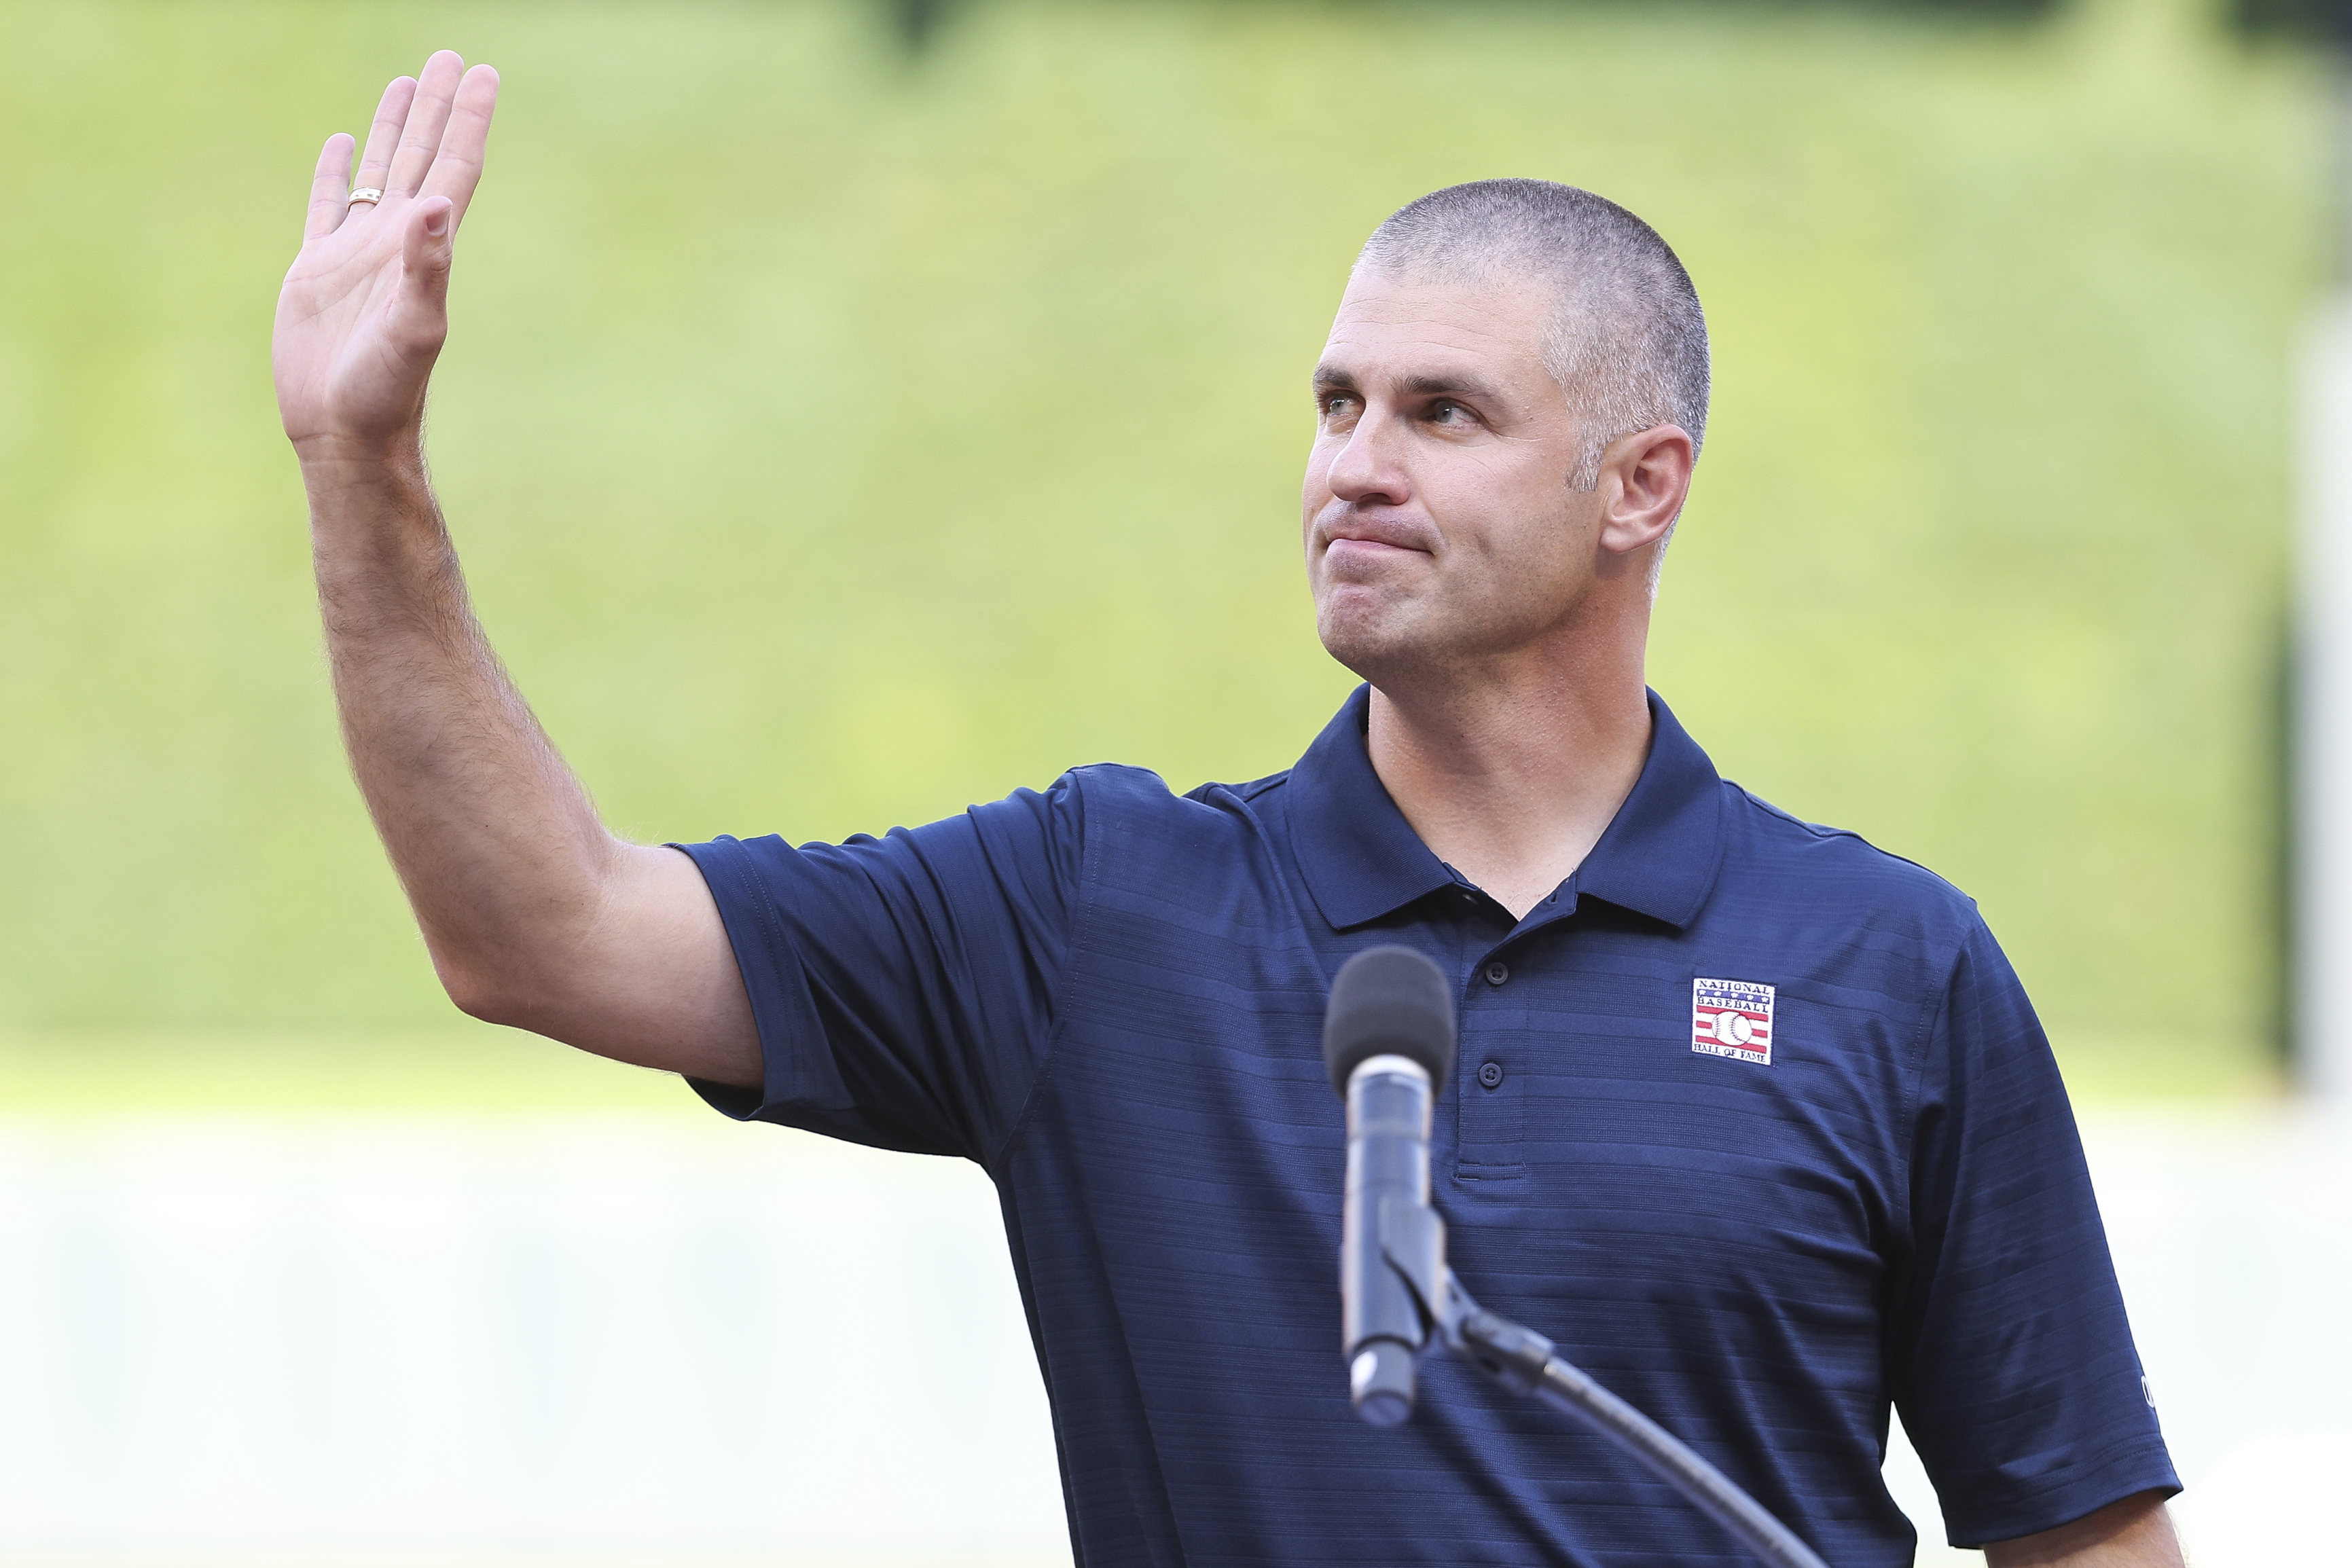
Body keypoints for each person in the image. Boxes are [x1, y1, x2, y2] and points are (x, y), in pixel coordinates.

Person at [273, 50, 2186, 1568]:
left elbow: (2086, 1536)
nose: (1353, 464)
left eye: (1442, 414)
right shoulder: (1102, 911)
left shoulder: (1891, 967)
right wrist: (363, 465)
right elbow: (544, 931)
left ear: (1642, 485)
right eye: (1335, 401)